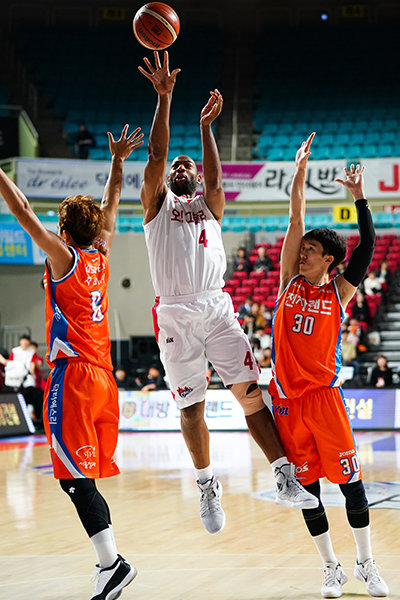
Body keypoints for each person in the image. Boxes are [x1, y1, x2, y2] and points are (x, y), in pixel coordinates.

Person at [138, 50, 317, 536]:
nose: (179, 166)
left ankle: (283, 474)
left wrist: (206, 129)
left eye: (187, 165)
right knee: (190, 407)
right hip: (175, 314)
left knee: (250, 393)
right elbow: (156, 156)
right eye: (176, 165)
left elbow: (215, 177)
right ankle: (205, 482)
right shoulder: (155, 206)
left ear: (195, 177)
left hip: (217, 307)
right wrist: (165, 99)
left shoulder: (209, 204)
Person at [0, 123, 144, 600]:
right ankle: (109, 564)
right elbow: (115, 197)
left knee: (73, 480)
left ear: (64, 232)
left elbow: (22, 212)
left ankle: (112, 564)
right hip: (102, 376)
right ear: (94, 229)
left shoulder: (66, 258)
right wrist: (118, 162)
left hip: (75, 377)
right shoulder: (101, 253)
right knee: (80, 478)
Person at [268, 133, 389, 598]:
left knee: (351, 485)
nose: (303, 253)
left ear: (331, 262)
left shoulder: (339, 292)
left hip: (325, 399)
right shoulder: (286, 282)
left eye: (312, 251)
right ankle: (331, 567)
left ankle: (366, 563)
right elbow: (297, 215)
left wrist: (359, 197)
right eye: (303, 249)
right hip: (288, 402)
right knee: (307, 489)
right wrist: (299, 170)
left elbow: (369, 245)